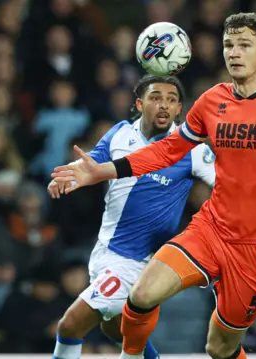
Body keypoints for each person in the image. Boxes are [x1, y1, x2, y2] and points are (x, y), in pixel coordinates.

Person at [51, 12, 256, 359]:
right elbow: (167, 150)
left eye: (244, 45)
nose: (234, 53)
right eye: (229, 45)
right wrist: (102, 171)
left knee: (219, 348)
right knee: (141, 295)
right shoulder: (212, 100)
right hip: (211, 229)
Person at [48, 75, 216, 359]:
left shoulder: (193, 151)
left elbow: (229, 185)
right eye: (156, 98)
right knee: (115, 330)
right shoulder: (120, 133)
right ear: (139, 103)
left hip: (138, 263)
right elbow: (93, 160)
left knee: (71, 325)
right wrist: (70, 172)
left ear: (179, 110)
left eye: (171, 100)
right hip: (104, 251)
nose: (164, 105)